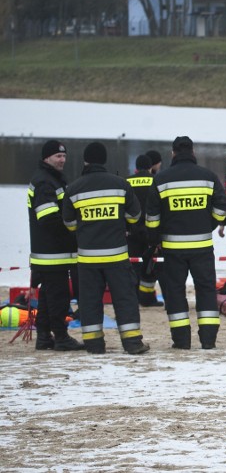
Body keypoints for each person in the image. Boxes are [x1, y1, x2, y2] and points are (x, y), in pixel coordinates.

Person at [62, 142, 149, 355]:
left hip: (88, 258)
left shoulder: (73, 189)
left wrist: (87, 230)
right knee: (125, 298)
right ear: (104, 160)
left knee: (89, 301)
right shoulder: (120, 184)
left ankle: (94, 345)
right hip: (117, 255)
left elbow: (69, 223)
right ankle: (132, 344)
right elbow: (135, 216)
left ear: (85, 161)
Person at [146, 136, 226, 349]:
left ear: (173, 153)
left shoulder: (161, 179)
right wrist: (207, 224)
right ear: (193, 152)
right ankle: (208, 341)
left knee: (174, 293)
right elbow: (222, 208)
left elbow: (152, 217)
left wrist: (156, 239)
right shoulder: (208, 177)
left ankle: (182, 341)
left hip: (172, 249)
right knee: (206, 291)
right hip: (202, 246)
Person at [27, 140, 84, 351]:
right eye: (57, 156)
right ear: (46, 158)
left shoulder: (52, 179)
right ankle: (61, 337)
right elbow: (47, 218)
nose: (62, 160)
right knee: (58, 296)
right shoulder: (44, 182)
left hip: (51, 252)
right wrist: (73, 228)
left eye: (64, 156)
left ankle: (43, 337)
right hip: (52, 252)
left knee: (47, 295)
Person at [127, 154, 162, 307]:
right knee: (151, 265)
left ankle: (133, 298)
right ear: (150, 167)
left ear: (136, 167)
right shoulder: (156, 181)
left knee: (133, 265)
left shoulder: (126, 182)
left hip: (132, 231)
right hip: (151, 231)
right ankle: (147, 299)